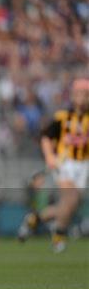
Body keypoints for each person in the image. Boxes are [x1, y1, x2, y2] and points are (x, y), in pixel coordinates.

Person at [18, 78, 89, 252]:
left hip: (83, 166)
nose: (82, 98)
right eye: (79, 94)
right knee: (70, 198)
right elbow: (45, 137)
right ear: (72, 96)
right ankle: (58, 235)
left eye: (86, 95)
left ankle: (35, 219)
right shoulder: (62, 117)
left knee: (70, 206)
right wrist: (50, 156)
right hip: (65, 164)